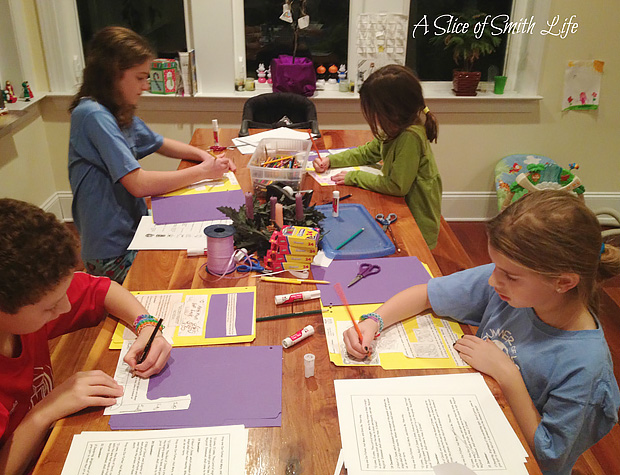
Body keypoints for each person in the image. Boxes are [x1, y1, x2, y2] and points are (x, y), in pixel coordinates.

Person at [343, 190, 620, 474]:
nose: (492, 280)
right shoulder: (515, 287)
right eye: (496, 268)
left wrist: (508, 374)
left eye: (509, 276)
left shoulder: (587, 370)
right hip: (469, 423)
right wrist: (374, 321)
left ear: (563, 282)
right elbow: (427, 294)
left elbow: (549, 459)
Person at [0, 198, 172, 474]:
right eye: (51, 307)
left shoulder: (28, 301)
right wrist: (46, 410)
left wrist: (148, 326)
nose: (65, 307)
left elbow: (102, 290)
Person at [68, 26, 236, 283]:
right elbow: (138, 184)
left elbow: (159, 143)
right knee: (171, 280)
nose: (146, 85)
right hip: (110, 247)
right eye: (140, 77)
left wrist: (206, 158)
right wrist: (203, 172)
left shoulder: (116, 109)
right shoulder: (92, 115)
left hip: (134, 229)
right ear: (112, 73)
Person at [313, 64, 442, 249]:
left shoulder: (409, 137)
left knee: (412, 254)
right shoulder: (395, 128)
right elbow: (366, 153)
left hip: (415, 217)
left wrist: (353, 177)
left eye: (374, 110)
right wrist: (331, 160)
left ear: (392, 110)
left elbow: (396, 186)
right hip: (401, 208)